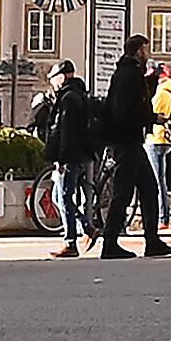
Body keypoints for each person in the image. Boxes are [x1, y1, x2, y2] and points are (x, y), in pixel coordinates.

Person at [98, 35, 171, 256]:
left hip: (130, 141)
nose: (148, 53)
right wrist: (152, 119)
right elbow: (127, 110)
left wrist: (150, 81)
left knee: (149, 189)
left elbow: (132, 101)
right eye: (146, 49)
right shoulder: (129, 74)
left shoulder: (128, 73)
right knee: (123, 193)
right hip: (127, 141)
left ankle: (152, 241)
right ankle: (110, 243)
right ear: (139, 50)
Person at [39, 59, 105, 253]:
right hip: (80, 154)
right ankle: (87, 228)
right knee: (59, 197)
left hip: (70, 156)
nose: (52, 84)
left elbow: (64, 130)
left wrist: (61, 158)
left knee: (64, 197)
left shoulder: (68, 98)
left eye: (53, 79)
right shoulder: (79, 95)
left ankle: (71, 242)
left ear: (61, 77)